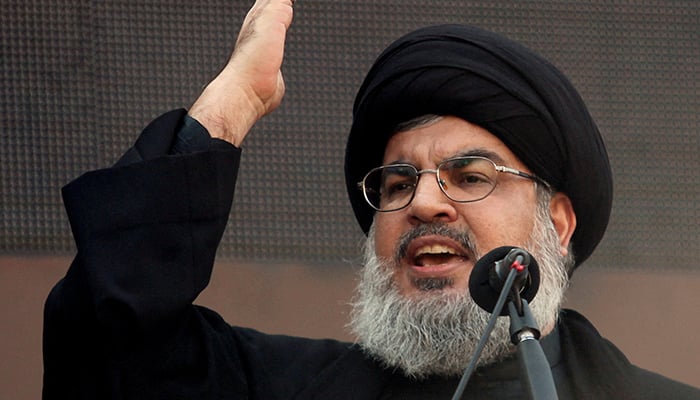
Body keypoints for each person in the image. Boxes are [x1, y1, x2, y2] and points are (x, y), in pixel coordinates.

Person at [42, 0, 700, 399]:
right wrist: (230, 107)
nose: (424, 205)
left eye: (470, 176)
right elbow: (108, 342)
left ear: (555, 223)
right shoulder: (281, 390)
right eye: (395, 183)